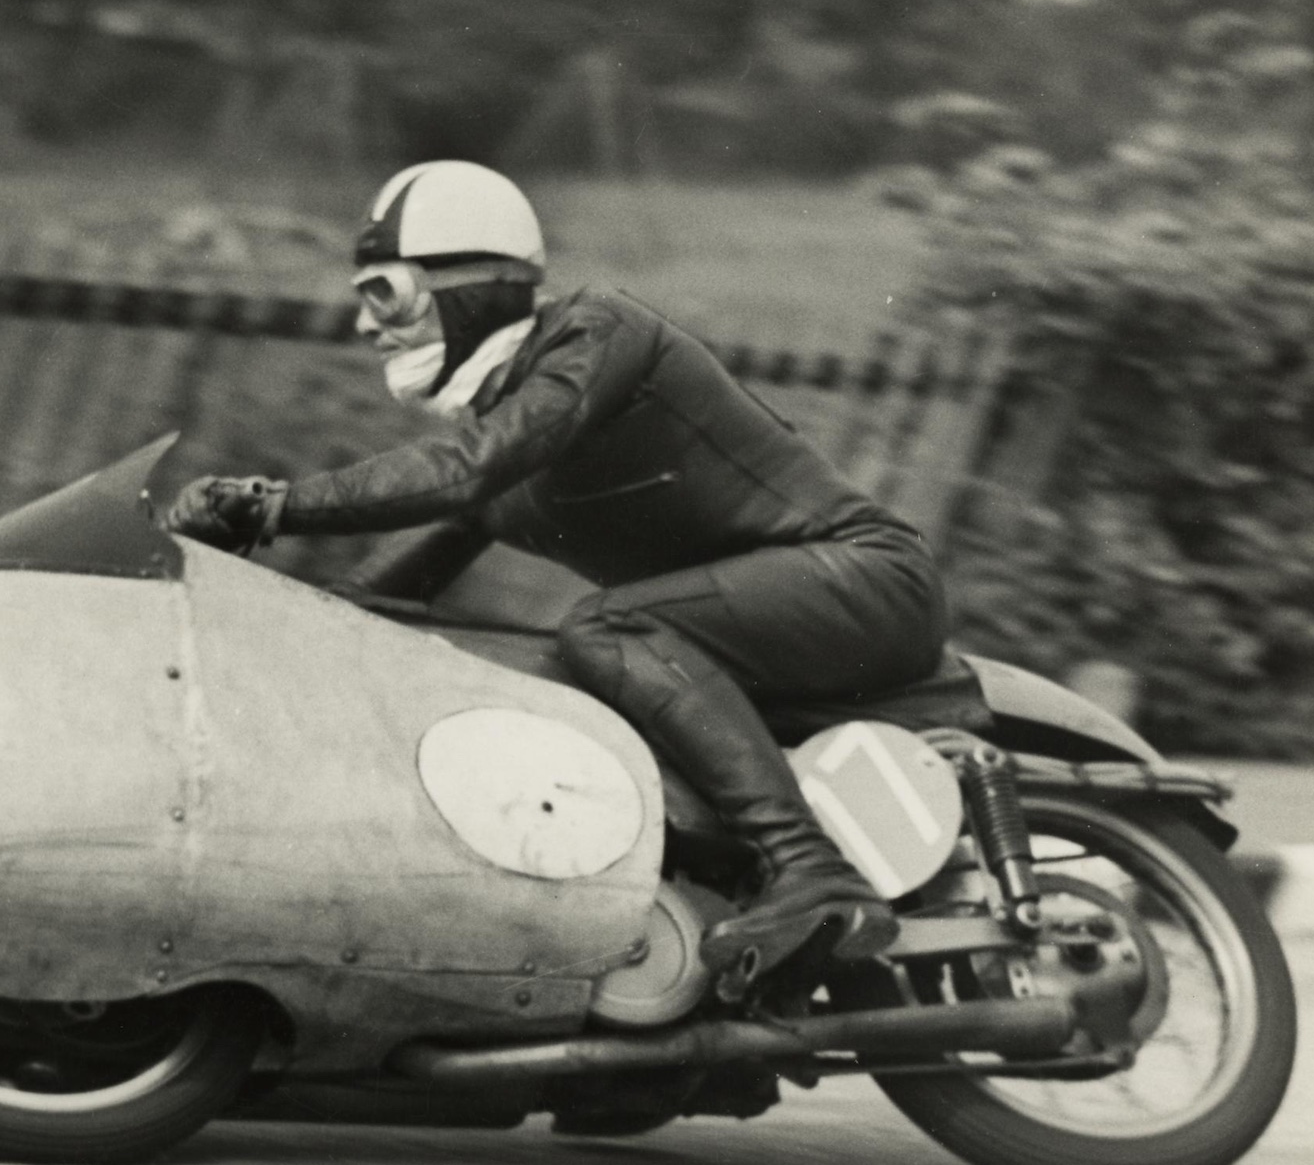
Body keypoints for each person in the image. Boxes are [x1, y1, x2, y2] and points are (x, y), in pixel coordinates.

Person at [164, 161, 950, 981]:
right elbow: (365, 608)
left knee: (607, 627)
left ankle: (812, 869)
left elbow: (464, 469)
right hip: (752, 626)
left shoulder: (596, 333)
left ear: (469, 286)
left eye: (384, 295)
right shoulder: (499, 445)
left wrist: (270, 505)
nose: (367, 327)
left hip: (866, 579)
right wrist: (232, 600)